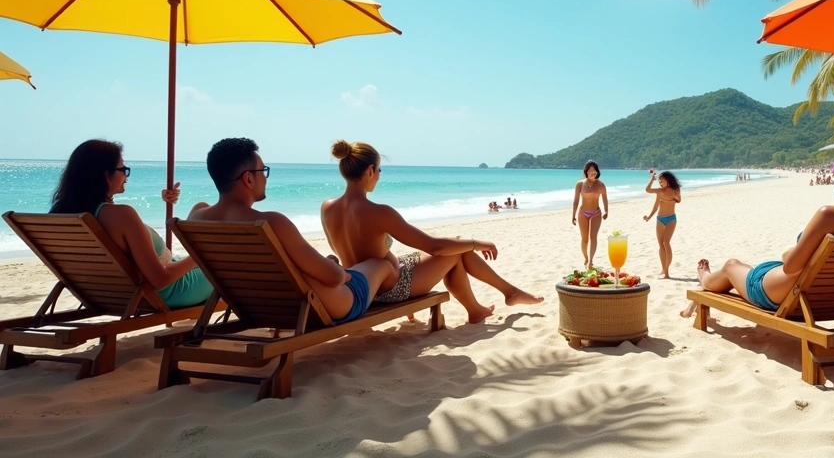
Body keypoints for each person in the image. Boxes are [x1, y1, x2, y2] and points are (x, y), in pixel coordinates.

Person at [320, 141, 541, 324]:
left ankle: (480, 308)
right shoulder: (380, 212)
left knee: (455, 248)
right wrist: (476, 243)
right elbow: (434, 246)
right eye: (379, 169)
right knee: (455, 249)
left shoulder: (327, 208)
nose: (378, 174)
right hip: (390, 288)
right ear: (370, 171)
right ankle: (503, 296)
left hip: (363, 285)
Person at [188, 138, 396, 324]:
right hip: (330, 306)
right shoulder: (271, 222)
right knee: (380, 264)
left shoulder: (197, 218)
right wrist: (338, 271)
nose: (266, 178)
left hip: (258, 307)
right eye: (263, 171)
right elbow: (333, 279)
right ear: (248, 179)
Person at [681, 144, 834, 315]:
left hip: (784, 293)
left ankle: (705, 279)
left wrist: (791, 251)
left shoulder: (830, 215)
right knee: (746, 267)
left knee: (731, 265)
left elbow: (791, 267)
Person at [50, 140, 213, 309]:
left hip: (109, 294)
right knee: (220, 261)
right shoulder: (121, 215)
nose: (126, 176)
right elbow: (160, 279)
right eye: (123, 170)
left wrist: (164, 201)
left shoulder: (62, 214)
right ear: (106, 175)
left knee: (200, 210)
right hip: (169, 291)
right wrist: (201, 255)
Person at [642, 171, 681, 279]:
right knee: (660, 244)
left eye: (661, 180)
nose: (660, 182)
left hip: (671, 219)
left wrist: (673, 197)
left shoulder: (675, 190)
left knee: (666, 242)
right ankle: (663, 269)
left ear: (667, 180)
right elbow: (648, 191)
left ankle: (667, 271)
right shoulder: (659, 191)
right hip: (660, 219)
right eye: (659, 180)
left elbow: (679, 200)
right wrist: (649, 217)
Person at [571, 160, 608, 267]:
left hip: (596, 213)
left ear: (597, 172)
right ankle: (586, 257)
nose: (592, 172)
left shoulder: (601, 185)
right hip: (583, 213)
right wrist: (573, 215)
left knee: (593, 237)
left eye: (594, 170)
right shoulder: (580, 184)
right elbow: (576, 200)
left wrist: (606, 211)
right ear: (586, 172)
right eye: (590, 170)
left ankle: (591, 260)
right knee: (585, 239)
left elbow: (605, 199)